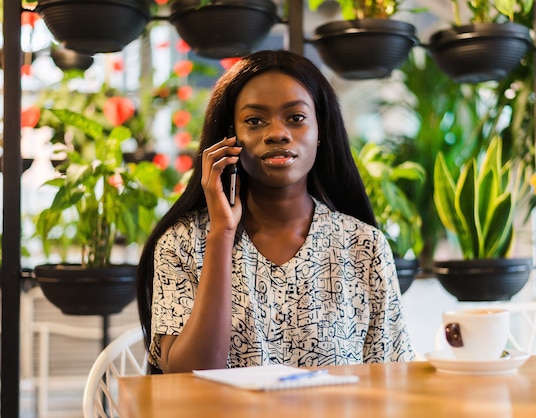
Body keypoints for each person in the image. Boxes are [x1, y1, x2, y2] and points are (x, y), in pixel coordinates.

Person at [136, 49, 416, 373]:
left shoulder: (364, 247)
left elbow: (394, 380)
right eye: (255, 121)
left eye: (296, 118)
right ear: (231, 137)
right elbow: (187, 378)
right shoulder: (182, 243)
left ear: (320, 129)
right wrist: (221, 235)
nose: (277, 133)